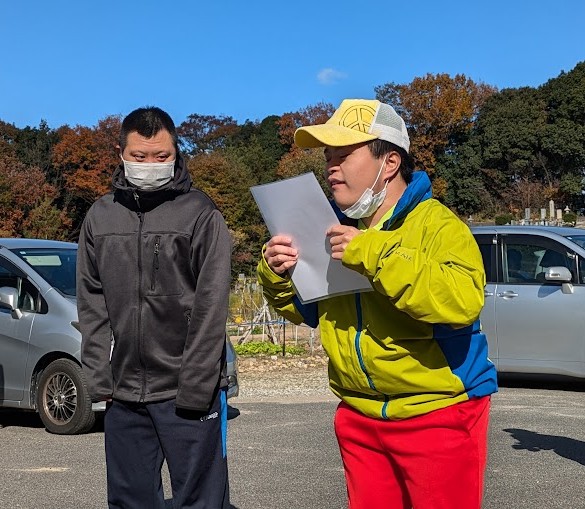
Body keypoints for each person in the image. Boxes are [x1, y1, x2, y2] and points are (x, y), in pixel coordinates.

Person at [257, 99, 498, 509]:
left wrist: (373, 251)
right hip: (358, 415)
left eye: (343, 155)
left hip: (439, 412)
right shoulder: (329, 228)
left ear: (390, 162)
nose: (331, 167)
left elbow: (461, 302)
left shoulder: (439, 224)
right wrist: (276, 273)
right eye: (328, 157)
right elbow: (305, 312)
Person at [77, 106, 232, 509]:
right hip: (123, 392)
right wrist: (100, 379)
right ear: (121, 153)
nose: (150, 165)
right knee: (130, 500)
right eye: (140, 156)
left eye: (162, 156)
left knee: (201, 500)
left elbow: (211, 305)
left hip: (187, 389)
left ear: (176, 152)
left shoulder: (200, 212)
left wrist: (197, 386)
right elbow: (91, 302)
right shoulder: (100, 216)